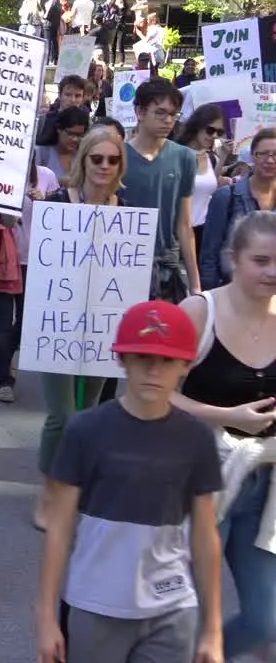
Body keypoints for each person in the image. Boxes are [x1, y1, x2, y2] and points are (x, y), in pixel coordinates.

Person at [35, 300, 223, 663]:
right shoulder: (85, 430)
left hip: (172, 607)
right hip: (94, 604)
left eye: (167, 360)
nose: (154, 370)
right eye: (141, 357)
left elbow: (204, 533)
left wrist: (213, 628)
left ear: (186, 365)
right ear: (122, 359)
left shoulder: (197, 438)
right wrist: (45, 615)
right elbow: (58, 526)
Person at [175, 211, 276, 659]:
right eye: (261, 260)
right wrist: (225, 414)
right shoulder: (199, 311)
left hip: (264, 485)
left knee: (264, 619)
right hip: (195, 480)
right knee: (188, 617)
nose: (272, 271)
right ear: (233, 258)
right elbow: (152, 393)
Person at [32, 128, 128, 528]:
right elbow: (40, 262)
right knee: (63, 415)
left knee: (88, 415)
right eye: (97, 159)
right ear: (84, 160)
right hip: (59, 325)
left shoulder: (128, 210)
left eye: (112, 160)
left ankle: (74, 489)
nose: (104, 166)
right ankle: (50, 491)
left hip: (105, 326)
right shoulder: (57, 203)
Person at [123, 77, 201, 301]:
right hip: (123, 265)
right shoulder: (115, 157)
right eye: (160, 112)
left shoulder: (184, 157)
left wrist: (195, 284)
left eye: (173, 114)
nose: (168, 121)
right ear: (140, 111)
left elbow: (185, 225)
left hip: (167, 271)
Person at [0, 159, 59, 404]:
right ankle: (3, 379)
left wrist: (44, 202)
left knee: (26, 320)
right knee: (2, 322)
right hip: (3, 261)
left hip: (37, 262)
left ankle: (7, 357)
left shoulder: (47, 175)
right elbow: (2, 220)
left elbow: (60, 219)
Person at [201, 129, 276, 289]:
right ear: (253, 157)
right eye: (263, 154)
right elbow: (209, 255)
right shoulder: (227, 197)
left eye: (275, 154)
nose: (270, 160)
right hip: (232, 291)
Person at [174, 103, 229, 256]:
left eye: (219, 132)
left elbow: (210, 186)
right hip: (178, 233)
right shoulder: (177, 154)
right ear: (198, 125)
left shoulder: (211, 157)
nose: (214, 136)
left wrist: (223, 157)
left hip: (205, 232)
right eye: (210, 130)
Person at [36, 106, 90, 182]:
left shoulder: (83, 157)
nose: (75, 139)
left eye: (79, 135)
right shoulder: (42, 153)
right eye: (70, 134)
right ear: (59, 129)